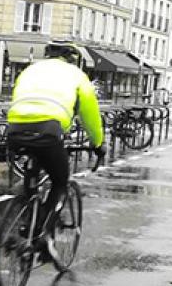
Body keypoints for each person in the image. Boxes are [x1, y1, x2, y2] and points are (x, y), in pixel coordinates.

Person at [6, 39, 104, 263]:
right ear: (71, 59)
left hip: (15, 129)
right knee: (60, 181)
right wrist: (98, 144)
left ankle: (26, 217)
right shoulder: (76, 75)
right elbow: (90, 115)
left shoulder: (29, 70)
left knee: (32, 173)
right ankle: (42, 234)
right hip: (49, 131)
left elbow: (19, 101)